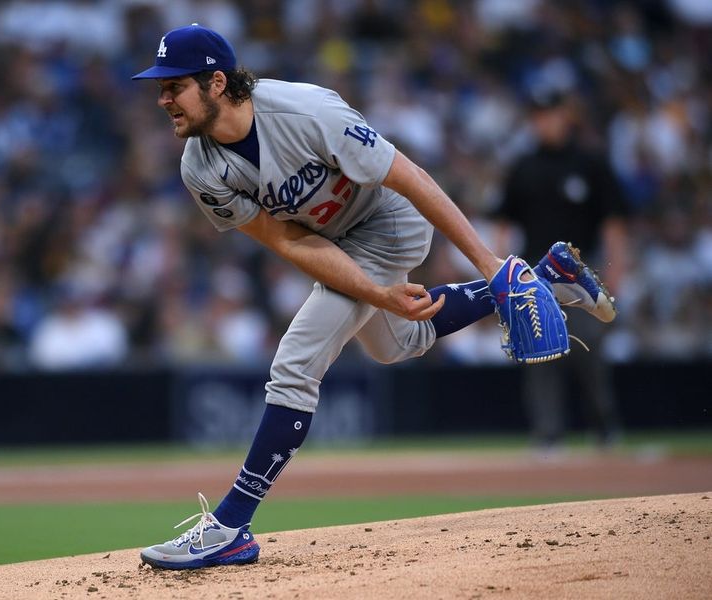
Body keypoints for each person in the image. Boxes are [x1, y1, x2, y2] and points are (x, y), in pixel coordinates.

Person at [130, 24, 614, 570]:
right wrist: (377, 294)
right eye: (161, 87)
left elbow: (412, 178)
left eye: (174, 85)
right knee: (396, 343)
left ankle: (231, 525)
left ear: (217, 82)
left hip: (388, 222)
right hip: (336, 243)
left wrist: (490, 263)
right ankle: (552, 276)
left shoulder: (305, 110)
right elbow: (286, 240)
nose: (163, 98)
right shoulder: (199, 166)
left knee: (295, 364)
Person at [494, 89, 629, 452]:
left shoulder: (590, 162)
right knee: (539, 353)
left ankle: (604, 428)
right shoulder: (523, 166)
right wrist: (500, 274)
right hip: (534, 276)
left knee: (589, 352)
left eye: (549, 114)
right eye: (538, 116)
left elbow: (614, 222)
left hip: (582, 275)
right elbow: (504, 223)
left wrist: (617, 272)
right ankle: (548, 435)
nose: (543, 122)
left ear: (564, 115)